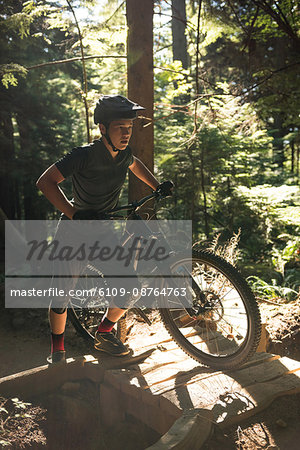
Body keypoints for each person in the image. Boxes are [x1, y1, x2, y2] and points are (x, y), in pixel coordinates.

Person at [36, 94, 173, 363]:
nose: (126, 134)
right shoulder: (83, 155)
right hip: (74, 233)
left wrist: (157, 186)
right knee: (62, 294)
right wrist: (74, 213)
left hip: (104, 232)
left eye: (130, 128)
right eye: (120, 128)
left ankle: (104, 333)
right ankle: (57, 351)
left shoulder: (124, 155)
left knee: (130, 288)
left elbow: (136, 165)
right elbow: (45, 182)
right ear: (102, 128)